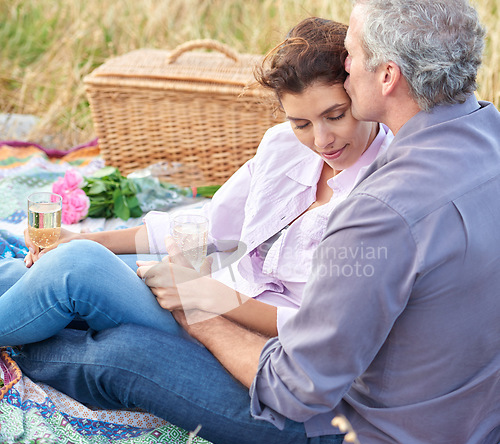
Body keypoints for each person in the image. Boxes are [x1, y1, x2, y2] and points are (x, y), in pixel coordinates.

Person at [7, 0, 500, 444]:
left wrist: (200, 311)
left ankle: (22, 336)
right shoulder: (486, 134)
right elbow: (214, 229)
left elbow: (297, 386)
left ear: (387, 74)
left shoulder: (380, 210)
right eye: (302, 123)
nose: (346, 64)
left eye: (351, 52)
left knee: (118, 338)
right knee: (70, 273)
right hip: (448, 425)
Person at [0, 18, 392, 344]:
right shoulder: (282, 146)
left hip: (239, 335)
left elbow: (324, 328)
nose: (321, 140)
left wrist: (206, 297)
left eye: (336, 115)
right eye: (302, 123)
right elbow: (208, 225)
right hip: (207, 286)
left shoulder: (385, 191)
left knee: (78, 270)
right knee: (31, 269)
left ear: (363, 94)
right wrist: (86, 236)